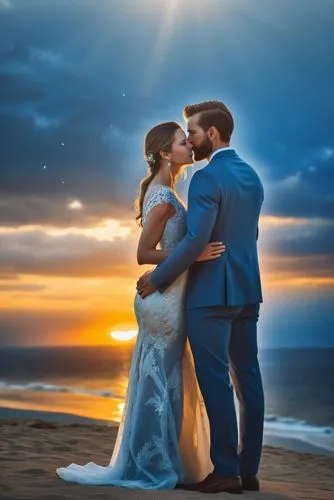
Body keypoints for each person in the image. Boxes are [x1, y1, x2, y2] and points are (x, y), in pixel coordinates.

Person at [56, 120, 226, 489]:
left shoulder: (162, 190)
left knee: (164, 378)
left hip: (168, 296)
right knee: (160, 381)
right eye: (183, 142)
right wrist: (193, 255)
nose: (189, 147)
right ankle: (153, 464)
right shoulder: (163, 199)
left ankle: (159, 459)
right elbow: (142, 253)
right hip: (162, 300)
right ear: (166, 153)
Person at [137, 101, 265, 494]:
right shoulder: (252, 176)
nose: (189, 140)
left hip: (211, 296)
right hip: (248, 291)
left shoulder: (207, 179)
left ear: (212, 133)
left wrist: (157, 278)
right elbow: (251, 236)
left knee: (216, 384)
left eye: (192, 131)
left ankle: (225, 472)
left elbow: (197, 239)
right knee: (249, 381)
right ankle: (248, 470)